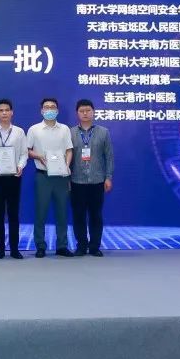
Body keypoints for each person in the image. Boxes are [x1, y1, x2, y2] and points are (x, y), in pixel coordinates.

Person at [26, 97, 74, 258]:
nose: (49, 109)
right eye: (46, 107)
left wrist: (66, 165)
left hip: (61, 176)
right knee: (41, 212)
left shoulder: (65, 129)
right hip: (43, 176)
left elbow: (69, 150)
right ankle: (40, 246)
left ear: (57, 110)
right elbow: (27, 150)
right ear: (42, 111)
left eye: (52, 107)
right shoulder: (34, 129)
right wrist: (38, 156)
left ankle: (62, 246)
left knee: (62, 212)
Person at [0, 98, 28, 259]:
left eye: (7, 110)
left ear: (12, 112)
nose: (4, 113)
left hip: (14, 176)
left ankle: (14, 249)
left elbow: (24, 154)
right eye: (1, 110)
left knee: (14, 213)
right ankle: (0, 248)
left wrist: (20, 166)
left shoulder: (19, 132)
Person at [70, 99, 114, 257]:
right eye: (82, 111)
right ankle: (81, 246)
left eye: (88, 110)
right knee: (78, 215)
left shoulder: (103, 132)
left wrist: (108, 177)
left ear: (93, 112)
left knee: (96, 215)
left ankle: (95, 246)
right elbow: (67, 157)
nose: (85, 113)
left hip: (97, 180)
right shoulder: (70, 133)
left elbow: (109, 156)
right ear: (77, 113)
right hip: (76, 181)